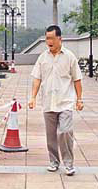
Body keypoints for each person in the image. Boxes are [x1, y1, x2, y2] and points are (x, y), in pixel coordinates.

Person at [28, 25, 83, 176]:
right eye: (47, 38)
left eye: (51, 38)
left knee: (65, 132)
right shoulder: (42, 57)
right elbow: (37, 79)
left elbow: (77, 79)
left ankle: (69, 164)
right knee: (51, 135)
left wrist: (79, 99)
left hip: (65, 101)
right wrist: (32, 97)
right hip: (48, 102)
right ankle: (54, 161)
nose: (49, 41)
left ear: (60, 38)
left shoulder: (70, 57)